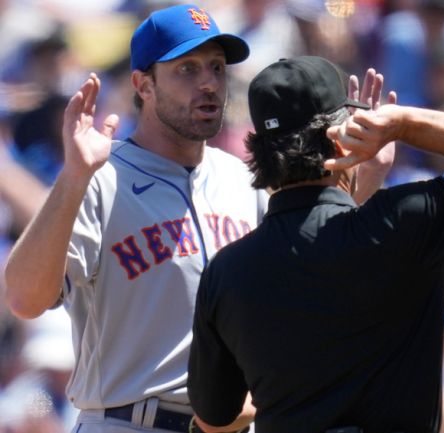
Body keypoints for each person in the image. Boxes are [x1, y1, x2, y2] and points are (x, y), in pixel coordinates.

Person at [3, 4, 392, 433]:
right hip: (130, 421)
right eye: (187, 69)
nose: (209, 83)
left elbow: (318, 279)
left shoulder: (247, 180)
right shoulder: (99, 178)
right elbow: (25, 299)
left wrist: (367, 178)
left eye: (217, 68)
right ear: (143, 84)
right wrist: (73, 178)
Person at [186, 55, 444, 433]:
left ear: (259, 150)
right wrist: (404, 125)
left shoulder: (227, 271)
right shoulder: (404, 220)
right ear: (343, 139)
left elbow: (215, 419)